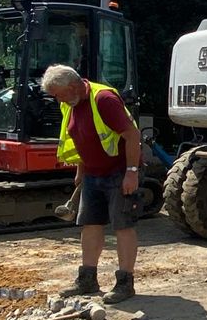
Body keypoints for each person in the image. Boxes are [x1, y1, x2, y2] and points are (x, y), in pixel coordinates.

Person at [40, 64, 142, 303]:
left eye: (58, 94)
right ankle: (87, 280)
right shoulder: (70, 103)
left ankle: (125, 283)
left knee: (122, 225)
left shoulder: (103, 99)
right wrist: (80, 169)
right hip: (93, 174)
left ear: (73, 86)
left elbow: (132, 135)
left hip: (119, 172)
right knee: (90, 225)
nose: (57, 100)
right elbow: (81, 138)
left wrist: (132, 172)